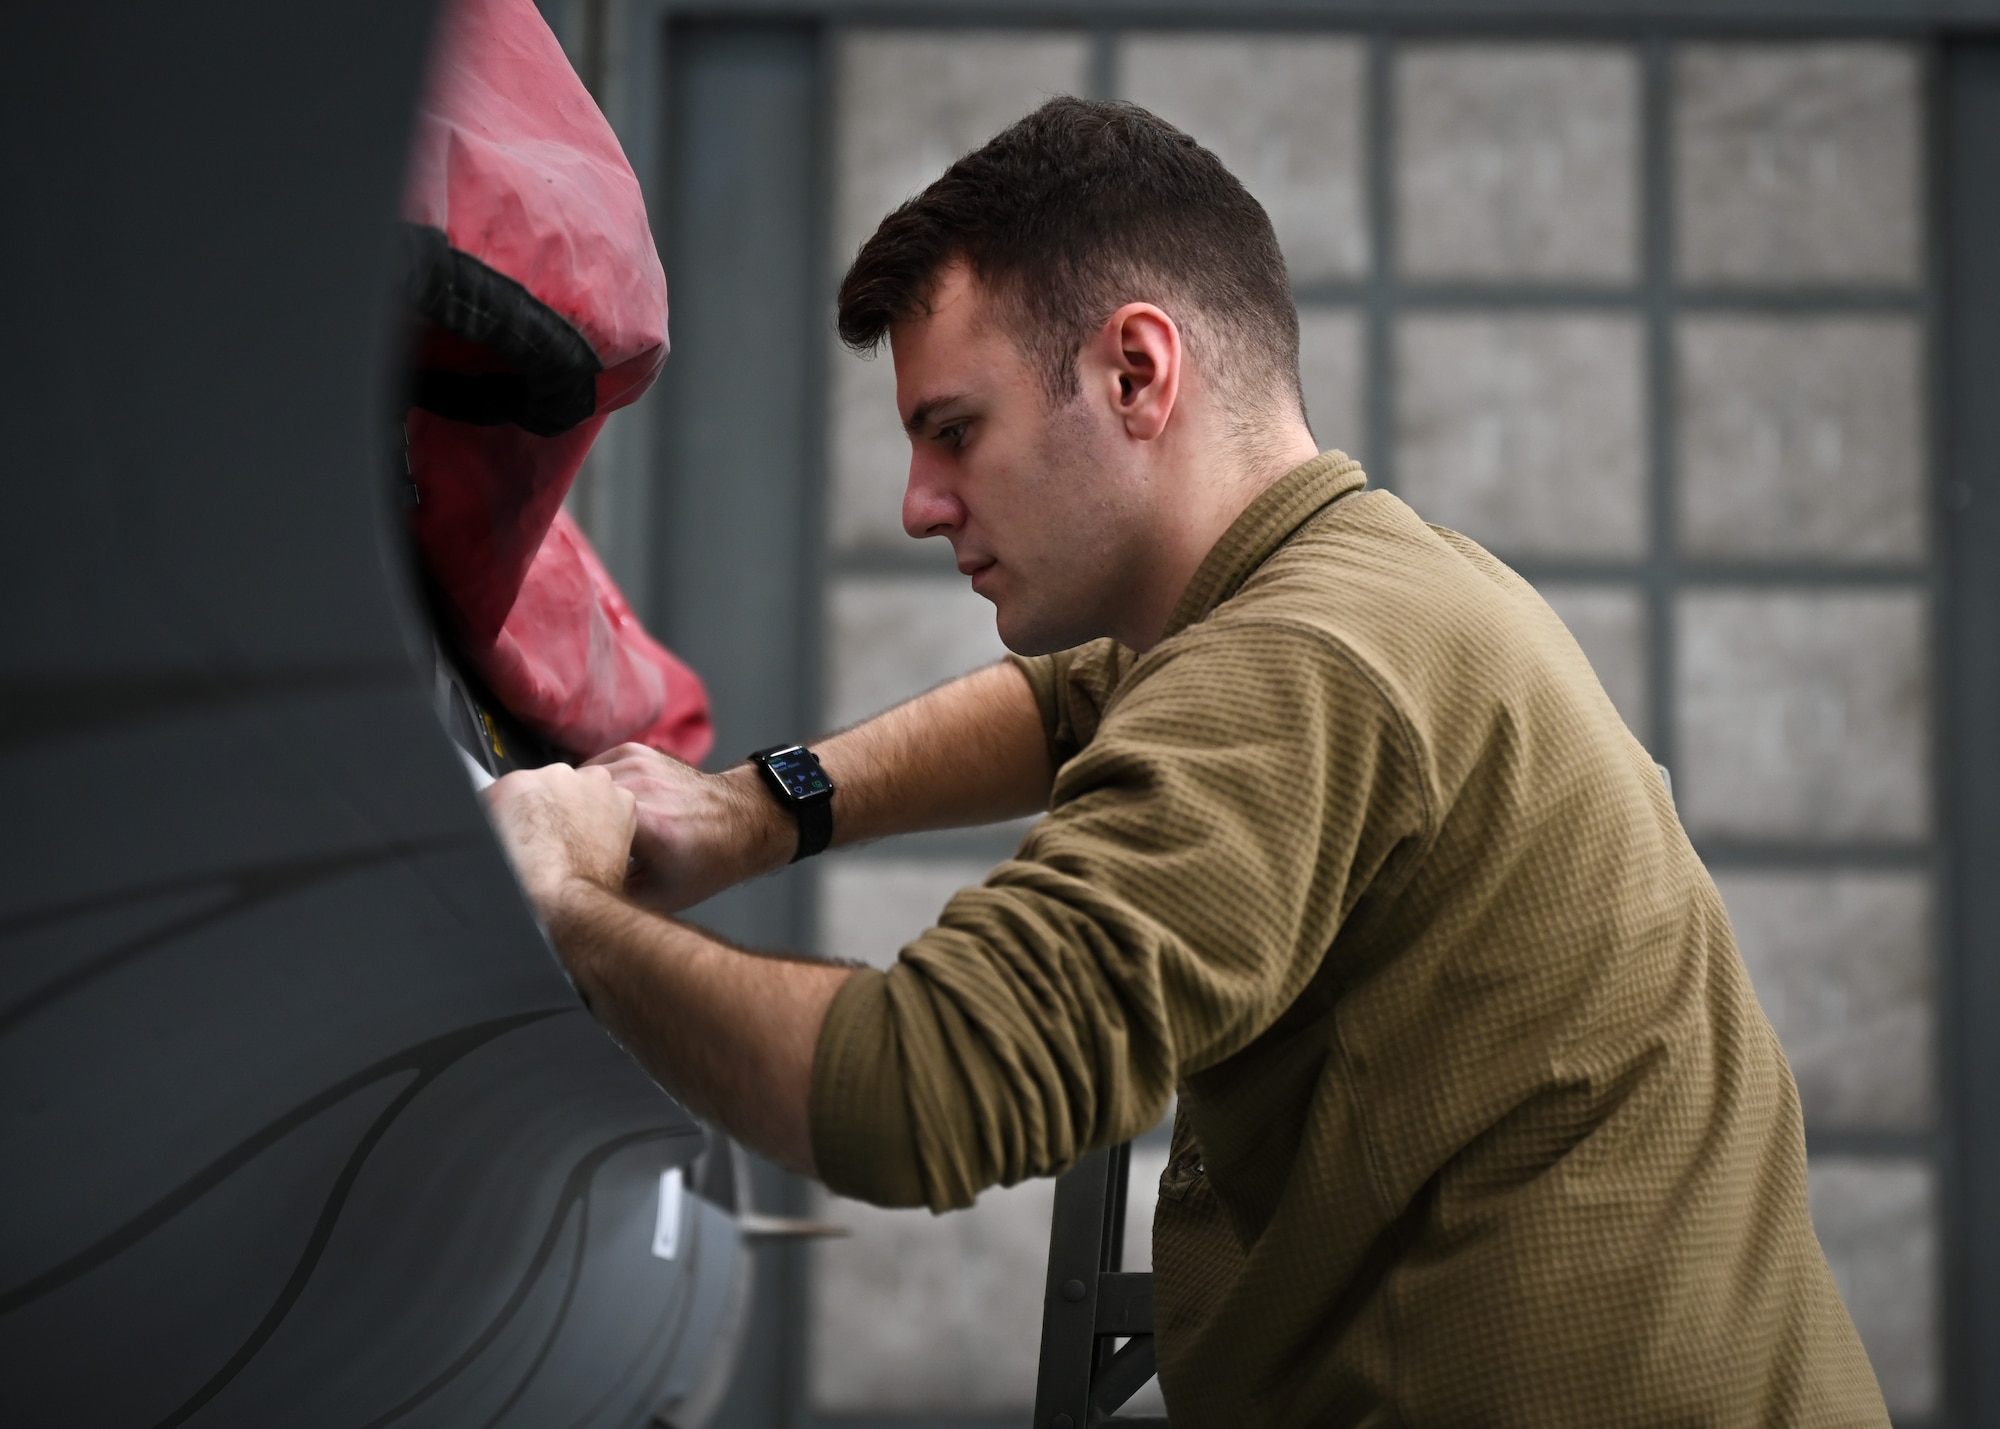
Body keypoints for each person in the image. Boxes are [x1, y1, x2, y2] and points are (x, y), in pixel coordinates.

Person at [486, 97, 1888, 1426]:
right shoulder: (1365, 583)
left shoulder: (1301, 670)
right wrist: (751, 813)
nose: (920, 505)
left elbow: (925, 1088)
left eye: (954, 432)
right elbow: (1078, 701)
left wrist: (554, 906)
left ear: (1137, 373)